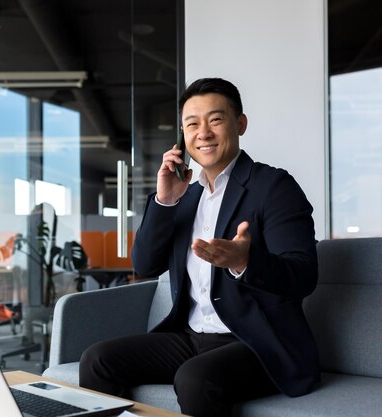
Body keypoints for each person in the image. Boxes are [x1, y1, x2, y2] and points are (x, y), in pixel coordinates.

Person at [79, 78, 320, 417]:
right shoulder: (183, 194)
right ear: (182, 136)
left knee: (194, 378)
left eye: (215, 120)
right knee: (98, 359)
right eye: (192, 124)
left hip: (258, 342)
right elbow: (145, 265)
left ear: (240, 124)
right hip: (190, 336)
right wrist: (165, 201)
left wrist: (245, 261)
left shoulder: (274, 187)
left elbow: (304, 275)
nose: (203, 132)